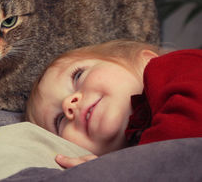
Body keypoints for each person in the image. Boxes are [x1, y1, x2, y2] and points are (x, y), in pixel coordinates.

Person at [26, 40, 202, 168]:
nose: (68, 104)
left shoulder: (175, 67)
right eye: (59, 120)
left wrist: (124, 170)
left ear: (145, 60)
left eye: (77, 76)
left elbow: (186, 137)